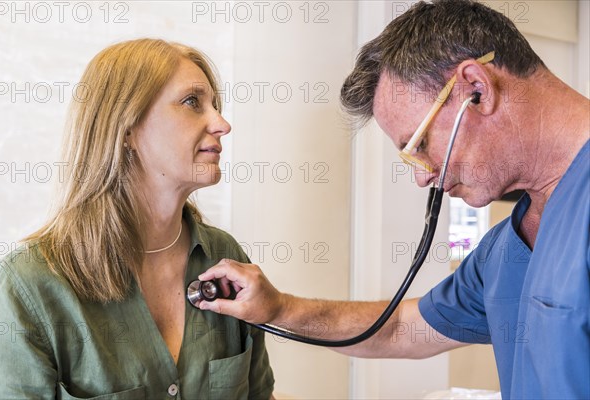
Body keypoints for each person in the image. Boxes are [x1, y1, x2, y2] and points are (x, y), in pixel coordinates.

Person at [196, 0, 590, 398]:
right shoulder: (505, 250)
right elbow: (401, 327)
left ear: (476, 89)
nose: (422, 176)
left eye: (418, 145)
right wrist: (279, 308)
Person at [0, 39, 274, 399]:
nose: (221, 123)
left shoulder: (225, 256)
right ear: (126, 130)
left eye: (215, 106)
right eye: (192, 102)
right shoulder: (25, 288)